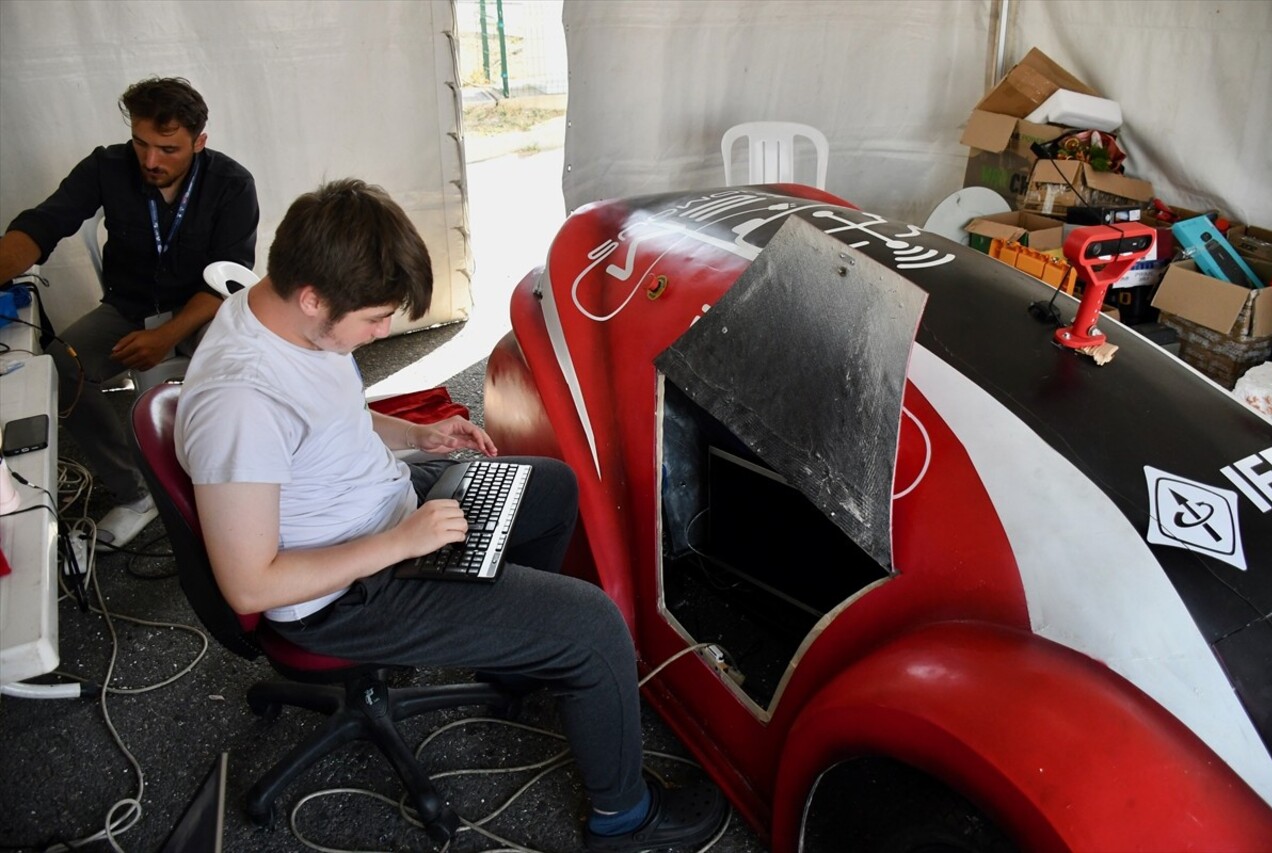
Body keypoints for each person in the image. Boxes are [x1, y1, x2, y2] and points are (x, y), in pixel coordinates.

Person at [173, 179, 727, 851]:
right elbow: (251, 584)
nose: (383, 334)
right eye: (376, 321)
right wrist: (404, 540)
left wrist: (419, 436)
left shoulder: (290, 317)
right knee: (592, 625)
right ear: (312, 297)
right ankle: (625, 818)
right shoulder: (240, 402)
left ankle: (510, 660)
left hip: (384, 508)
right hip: (342, 592)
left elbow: (329, 422)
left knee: (550, 487)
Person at [0, 77, 259, 549]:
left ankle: (239, 480)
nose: (150, 160)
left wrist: (167, 336)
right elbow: (43, 225)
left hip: (202, 311)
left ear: (199, 142)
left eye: (168, 148)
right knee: (61, 364)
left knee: (242, 365)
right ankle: (134, 491)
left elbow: (227, 277)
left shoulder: (232, 184)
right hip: (130, 307)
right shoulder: (107, 166)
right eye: (140, 143)